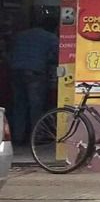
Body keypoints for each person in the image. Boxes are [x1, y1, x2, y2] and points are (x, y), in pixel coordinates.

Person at [8, 12, 58, 144]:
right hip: (35, 73)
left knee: (19, 105)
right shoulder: (51, 37)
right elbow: (56, 57)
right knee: (36, 106)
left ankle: (17, 138)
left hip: (15, 71)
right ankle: (35, 138)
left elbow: (11, 52)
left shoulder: (21, 35)